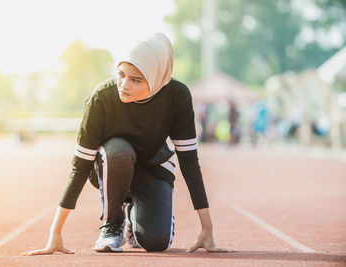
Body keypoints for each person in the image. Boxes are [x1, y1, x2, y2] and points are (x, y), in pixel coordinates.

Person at [23, 33, 231, 254]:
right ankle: (113, 223)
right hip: (112, 166)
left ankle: (134, 217)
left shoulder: (176, 96)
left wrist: (207, 228)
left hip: (153, 167)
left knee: (156, 243)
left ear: (156, 77)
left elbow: (189, 162)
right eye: (121, 75)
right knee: (119, 150)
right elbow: (80, 165)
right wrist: (55, 232)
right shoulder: (101, 98)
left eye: (136, 79)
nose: (124, 85)